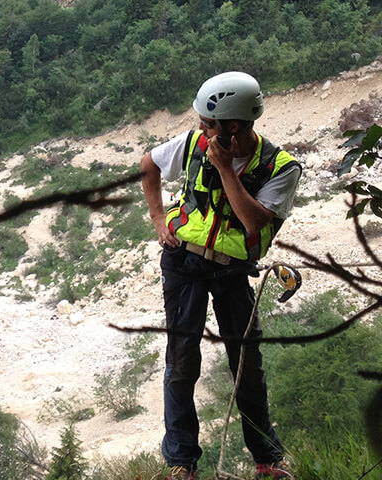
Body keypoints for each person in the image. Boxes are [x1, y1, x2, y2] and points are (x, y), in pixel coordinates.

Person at [139, 72, 301, 480]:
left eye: (208, 123)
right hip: (184, 263)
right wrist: (159, 219)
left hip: (233, 271)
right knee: (181, 362)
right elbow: (148, 164)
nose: (200, 128)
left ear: (234, 126)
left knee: (246, 362)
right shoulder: (194, 145)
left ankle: (266, 460)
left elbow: (253, 222)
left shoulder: (280, 168)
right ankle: (181, 465)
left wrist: (226, 169)